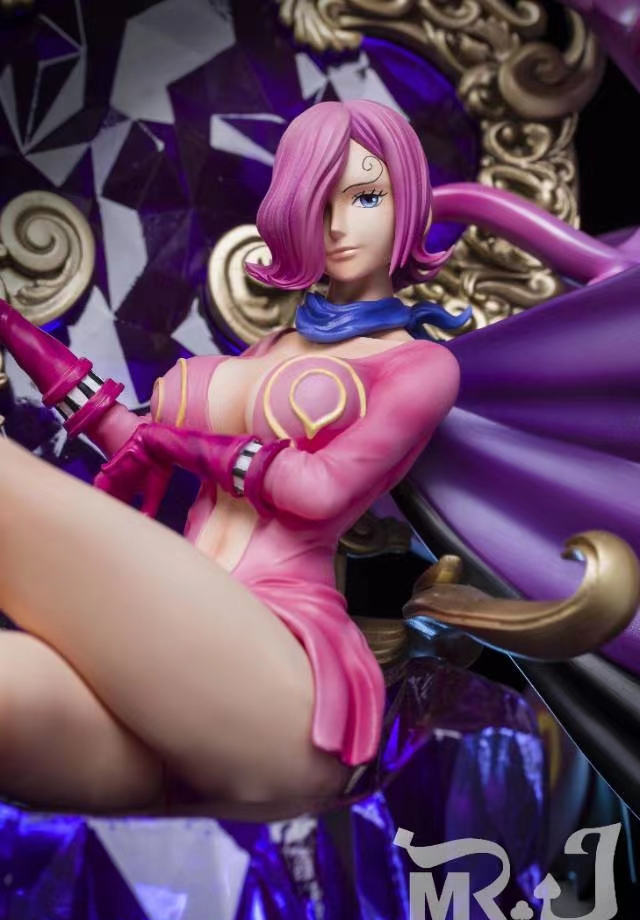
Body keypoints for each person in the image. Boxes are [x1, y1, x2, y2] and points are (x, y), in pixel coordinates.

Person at [0, 99, 637, 815]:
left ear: (406, 202)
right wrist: (14, 329)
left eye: (364, 197)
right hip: (175, 669)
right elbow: (130, 435)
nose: (337, 225)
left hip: (283, 666)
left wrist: (172, 441)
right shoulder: (265, 351)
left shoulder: (417, 367)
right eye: (319, 199)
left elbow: (317, 489)